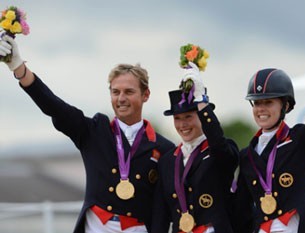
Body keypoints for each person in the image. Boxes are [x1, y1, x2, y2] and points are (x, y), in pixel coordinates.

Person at [0, 34, 175, 233]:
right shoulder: (94, 132)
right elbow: (54, 106)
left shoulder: (164, 148)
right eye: (115, 92)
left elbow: (166, 207)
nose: (121, 98)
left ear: (146, 95)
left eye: (129, 91)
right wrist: (19, 69)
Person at [233, 40, 305, 233]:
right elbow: (241, 210)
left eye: (268, 102)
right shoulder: (247, 155)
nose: (261, 109)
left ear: (285, 106)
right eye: (256, 103)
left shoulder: (300, 139)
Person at [152, 62, 239, 233]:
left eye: (189, 117)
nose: (183, 124)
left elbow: (218, 144)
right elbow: (160, 214)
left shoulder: (219, 150)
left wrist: (202, 102)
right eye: (177, 118)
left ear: (201, 115)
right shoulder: (167, 161)